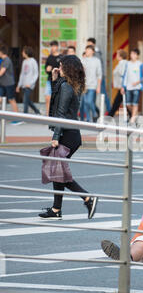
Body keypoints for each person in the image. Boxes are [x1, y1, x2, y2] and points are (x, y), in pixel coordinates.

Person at [38, 55, 98, 220]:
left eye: (61, 65)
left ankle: (87, 198)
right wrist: (54, 79)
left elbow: (61, 114)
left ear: (67, 68)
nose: (59, 67)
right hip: (71, 134)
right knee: (57, 170)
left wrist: (56, 136)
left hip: (66, 135)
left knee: (59, 172)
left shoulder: (67, 87)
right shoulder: (71, 85)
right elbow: (58, 100)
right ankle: (57, 209)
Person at [122, 48, 143, 125]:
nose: (132, 55)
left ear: (137, 55)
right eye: (131, 54)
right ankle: (135, 115)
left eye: (133, 54)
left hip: (137, 87)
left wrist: (137, 82)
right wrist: (123, 86)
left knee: (135, 104)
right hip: (128, 87)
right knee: (128, 104)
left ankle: (132, 119)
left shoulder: (140, 64)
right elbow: (125, 76)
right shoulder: (128, 64)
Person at [86, 38, 111, 114]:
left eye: (89, 44)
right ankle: (95, 111)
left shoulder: (96, 53)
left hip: (99, 77)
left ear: (93, 44)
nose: (87, 46)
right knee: (91, 98)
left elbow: (98, 67)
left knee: (103, 94)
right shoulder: (93, 53)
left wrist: (100, 78)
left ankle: (109, 111)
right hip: (92, 79)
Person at [16, 46, 40, 115]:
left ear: (26, 52)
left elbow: (36, 74)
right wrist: (19, 85)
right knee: (27, 100)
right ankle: (37, 111)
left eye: (23, 51)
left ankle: (24, 116)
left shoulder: (33, 61)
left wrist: (31, 83)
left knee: (25, 100)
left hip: (29, 85)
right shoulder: (24, 62)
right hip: (24, 84)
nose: (22, 53)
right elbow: (22, 74)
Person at [0, 44, 20, 124]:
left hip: (9, 84)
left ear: (1, 52)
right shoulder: (3, 60)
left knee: (11, 100)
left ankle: (17, 118)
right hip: (2, 84)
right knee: (0, 99)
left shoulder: (7, 60)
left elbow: (1, 72)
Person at [81, 45, 102, 122]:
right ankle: (89, 119)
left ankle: (94, 113)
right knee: (85, 103)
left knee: (89, 101)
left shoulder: (97, 61)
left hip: (93, 85)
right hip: (84, 85)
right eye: (86, 50)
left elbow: (99, 74)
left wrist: (99, 86)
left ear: (93, 51)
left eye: (89, 50)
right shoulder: (82, 60)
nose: (87, 51)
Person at [108, 49, 129, 118]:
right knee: (122, 102)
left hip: (122, 87)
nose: (116, 56)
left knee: (118, 102)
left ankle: (110, 116)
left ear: (120, 56)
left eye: (117, 54)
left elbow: (123, 75)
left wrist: (123, 86)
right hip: (122, 87)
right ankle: (132, 116)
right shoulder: (122, 63)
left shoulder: (122, 63)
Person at [45, 40, 62, 116]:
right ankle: (48, 116)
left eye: (54, 46)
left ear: (57, 47)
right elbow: (46, 69)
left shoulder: (61, 57)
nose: (52, 48)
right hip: (49, 80)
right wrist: (47, 69)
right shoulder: (49, 57)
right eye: (51, 46)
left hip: (59, 81)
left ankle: (56, 115)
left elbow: (63, 70)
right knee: (48, 98)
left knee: (58, 99)